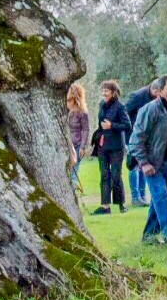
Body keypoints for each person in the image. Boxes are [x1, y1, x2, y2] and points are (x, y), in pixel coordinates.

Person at [129, 75, 167, 244]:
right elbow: (136, 139)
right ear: (160, 91)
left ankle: (149, 236)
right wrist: (144, 163)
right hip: (152, 164)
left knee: (160, 199)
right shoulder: (149, 110)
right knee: (160, 195)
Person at [92, 80, 130, 215]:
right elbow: (100, 123)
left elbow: (127, 125)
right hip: (103, 146)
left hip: (116, 147)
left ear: (113, 93)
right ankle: (105, 206)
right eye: (102, 90)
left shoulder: (120, 107)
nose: (103, 93)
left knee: (115, 175)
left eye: (106, 90)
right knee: (104, 175)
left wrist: (112, 126)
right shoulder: (102, 105)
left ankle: (121, 204)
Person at [123, 79, 160, 206]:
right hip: (133, 137)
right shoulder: (138, 96)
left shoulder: (154, 98)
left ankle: (143, 196)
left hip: (146, 137)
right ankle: (135, 197)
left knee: (143, 166)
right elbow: (125, 112)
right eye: (158, 93)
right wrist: (134, 128)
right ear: (154, 89)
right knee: (134, 166)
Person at [66, 81, 91, 194]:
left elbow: (86, 130)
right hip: (66, 145)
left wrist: (83, 147)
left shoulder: (82, 112)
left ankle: (74, 191)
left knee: (74, 169)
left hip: (77, 145)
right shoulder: (65, 111)